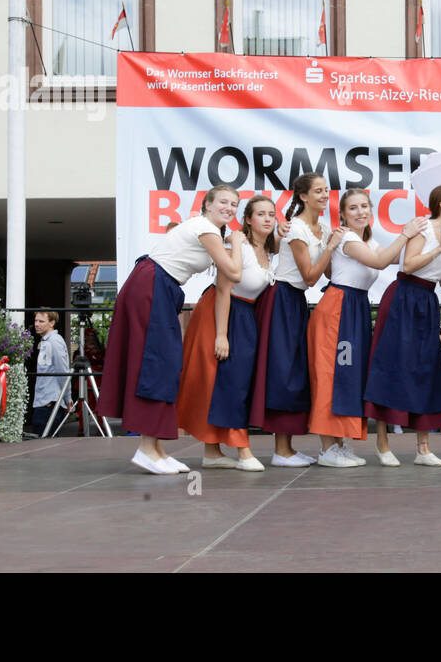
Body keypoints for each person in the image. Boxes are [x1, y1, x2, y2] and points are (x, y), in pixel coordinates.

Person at [97, 184, 244, 475]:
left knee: (165, 363)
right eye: (223, 202)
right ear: (208, 205)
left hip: (160, 287)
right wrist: (237, 243)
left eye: (234, 204)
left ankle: (157, 450)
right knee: (158, 362)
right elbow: (234, 272)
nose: (229, 208)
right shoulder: (205, 227)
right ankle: (146, 449)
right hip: (153, 286)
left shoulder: (207, 230)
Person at [308, 188, 428, 467]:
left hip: (355, 308)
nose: (360, 212)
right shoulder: (347, 238)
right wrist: (406, 233)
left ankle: (338, 443)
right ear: (344, 215)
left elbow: (401, 259)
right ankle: (327, 448)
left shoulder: (368, 240)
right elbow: (381, 262)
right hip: (338, 310)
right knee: (332, 374)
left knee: (348, 375)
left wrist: (435, 243)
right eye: (353, 208)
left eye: (364, 206)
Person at [363, 184, 441, 467]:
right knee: (391, 366)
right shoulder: (424, 227)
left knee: (427, 368)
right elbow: (407, 265)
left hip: (427, 299)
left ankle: (423, 448)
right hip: (404, 297)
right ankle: (382, 443)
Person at [178, 195, 277, 472]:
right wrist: (221, 335)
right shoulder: (240, 244)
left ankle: (212, 452)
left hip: (245, 317)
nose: (268, 218)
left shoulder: (267, 251)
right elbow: (223, 288)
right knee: (226, 379)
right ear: (247, 219)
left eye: (272, 214)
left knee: (231, 381)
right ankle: (243, 450)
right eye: (261, 214)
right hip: (221, 312)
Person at [251, 173, 345, 467]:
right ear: (303, 196)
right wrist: (330, 248)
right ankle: (281, 450)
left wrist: (334, 245)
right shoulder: (296, 230)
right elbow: (310, 276)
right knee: (283, 370)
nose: (323, 194)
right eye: (317, 191)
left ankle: (287, 448)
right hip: (280, 298)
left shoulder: (323, 228)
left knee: (294, 370)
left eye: (326, 190)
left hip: (296, 300)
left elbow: (328, 274)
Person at [32, 311, 72, 437]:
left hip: (49, 401)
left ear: (52, 323)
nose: (37, 324)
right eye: (36, 321)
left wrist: (68, 398)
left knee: (44, 440)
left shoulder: (55, 342)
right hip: (44, 400)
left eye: (41, 321)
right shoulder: (46, 341)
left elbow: (63, 371)